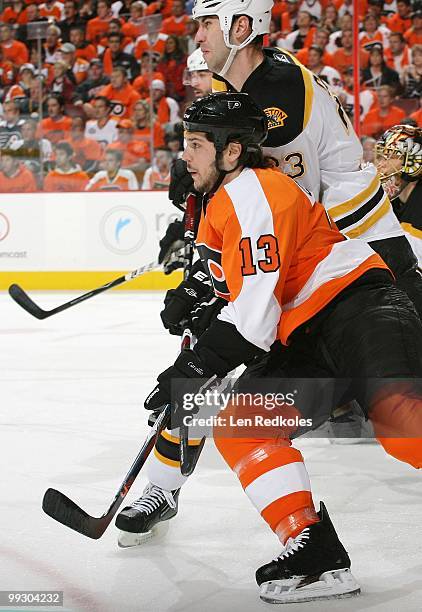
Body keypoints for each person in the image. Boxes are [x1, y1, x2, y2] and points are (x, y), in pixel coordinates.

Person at [117, 0, 422, 557]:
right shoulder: (242, 92)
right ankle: (164, 488)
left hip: (364, 260)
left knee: (401, 416)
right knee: (233, 382)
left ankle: (164, 485)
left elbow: (269, 206)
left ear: (241, 27)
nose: (198, 36)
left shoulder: (277, 90)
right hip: (316, 269)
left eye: (207, 24)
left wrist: (208, 268)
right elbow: (225, 191)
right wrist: (191, 233)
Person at [375, 124, 422, 265]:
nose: (381, 165)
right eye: (382, 156)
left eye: (391, 156)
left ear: (414, 161)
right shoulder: (395, 200)